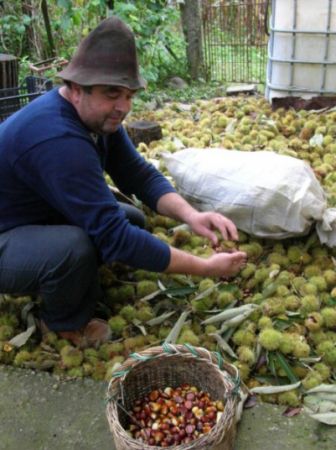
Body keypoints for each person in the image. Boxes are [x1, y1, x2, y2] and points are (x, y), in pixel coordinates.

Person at [0, 17, 246, 348]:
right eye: (112, 94)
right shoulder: (59, 140)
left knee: (133, 219)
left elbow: (138, 174)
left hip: (32, 216)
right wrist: (204, 268)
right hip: (5, 236)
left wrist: (193, 216)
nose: (124, 107)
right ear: (75, 89)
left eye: (129, 95)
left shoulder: (98, 119)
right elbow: (114, 238)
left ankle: (72, 276)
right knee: (75, 248)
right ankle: (63, 324)